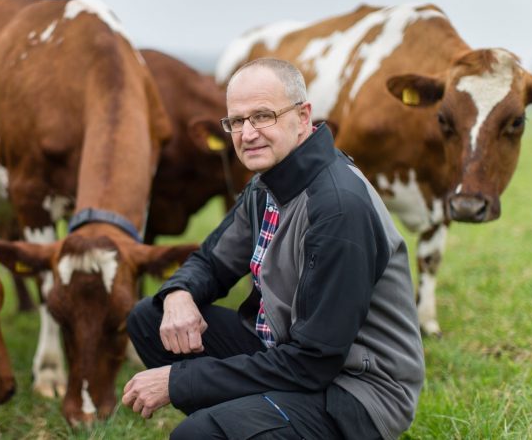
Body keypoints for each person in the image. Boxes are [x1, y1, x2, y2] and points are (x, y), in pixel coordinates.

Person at [122, 58, 425, 440]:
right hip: (284, 352)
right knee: (150, 320)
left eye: (263, 116)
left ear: (302, 117)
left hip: (354, 391)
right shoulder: (268, 182)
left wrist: (182, 381)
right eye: (236, 121)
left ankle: (244, 424)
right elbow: (212, 262)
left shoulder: (337, 208)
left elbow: (316, 360)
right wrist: (179, 293)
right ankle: (250, 420)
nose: (247, 134)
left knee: (196, 436)